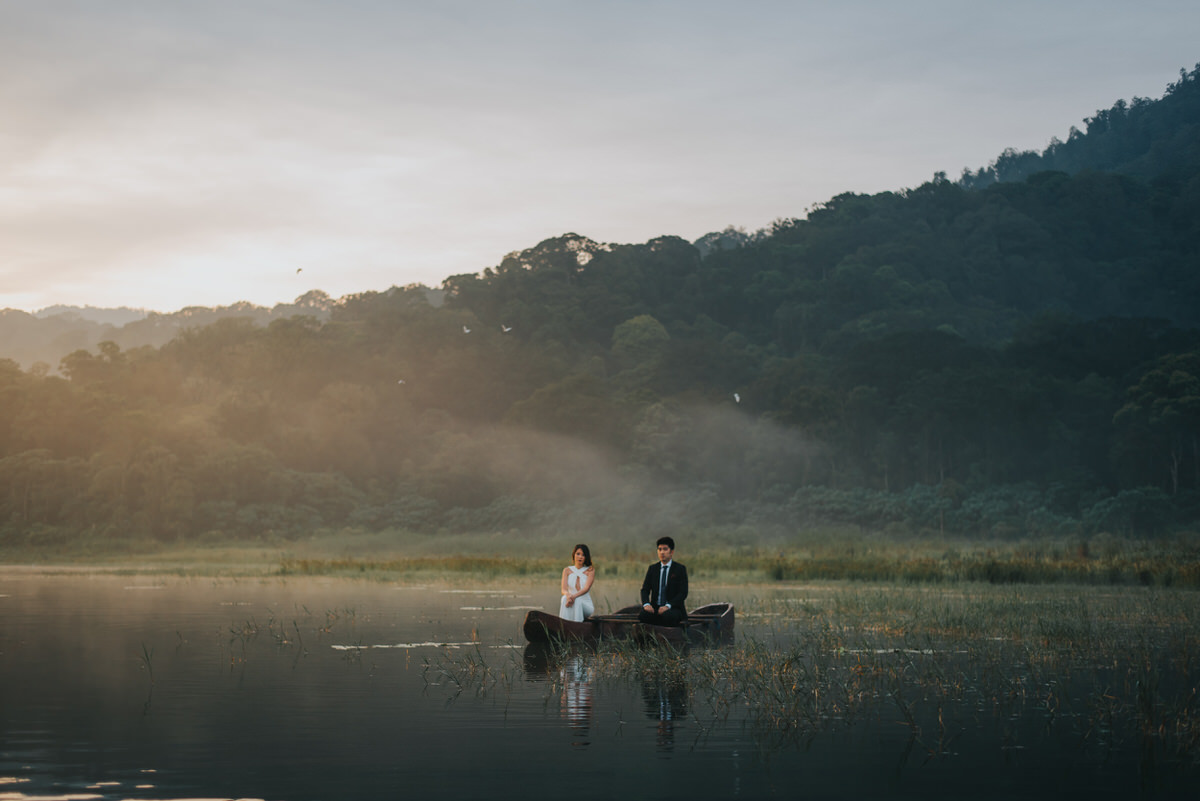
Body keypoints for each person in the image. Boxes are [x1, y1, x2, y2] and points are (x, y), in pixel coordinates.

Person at [638, 536, 687, 627]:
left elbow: (683, 593)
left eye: (665, 549)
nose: (662, 552)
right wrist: (646, 604)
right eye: (659, 549)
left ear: (671, 552)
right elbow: (645, 590)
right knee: (643, 615)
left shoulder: (679, 569)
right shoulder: (653, 569)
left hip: (673, 608)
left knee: (667, 616)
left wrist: (668, 606)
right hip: (655, 608)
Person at [559, 543, 595, 621]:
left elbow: (586, 588)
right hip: (570, 600)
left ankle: (578, 627)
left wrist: (574, 597)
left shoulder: (590, 570)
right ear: (574, 555)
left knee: (578, 600)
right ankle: (562, 625)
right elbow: (563, 589)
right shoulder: (567, 570)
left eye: (583, 555)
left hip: (585, 605)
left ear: (586, 557)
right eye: (578, 554)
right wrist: (568, 595)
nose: (580, 557)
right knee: (564, 598)